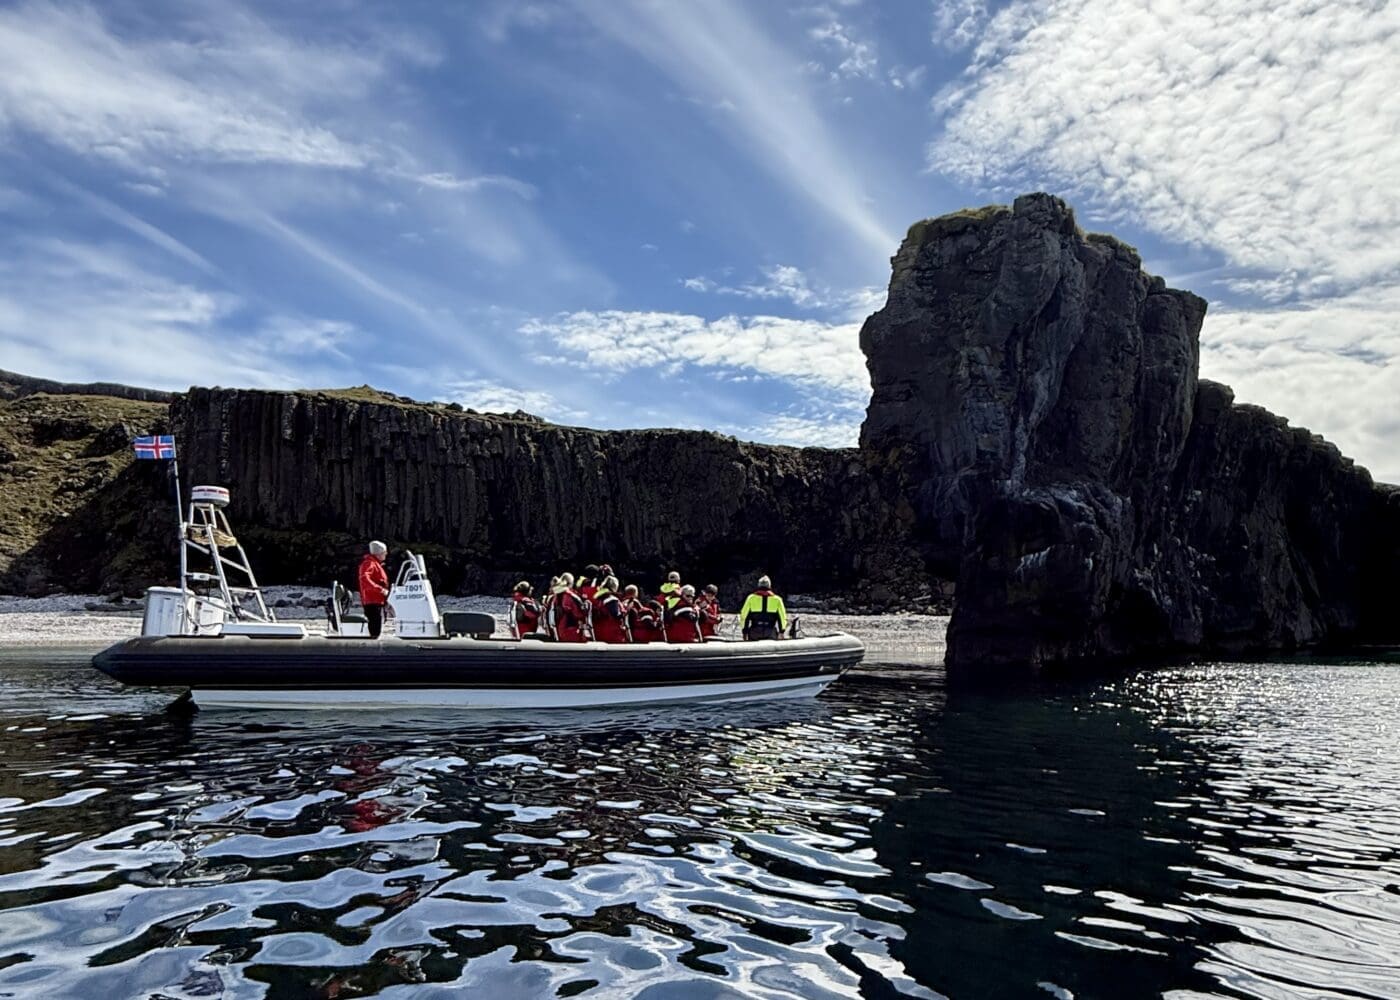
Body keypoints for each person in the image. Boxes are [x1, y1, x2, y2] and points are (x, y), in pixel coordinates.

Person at [357, 540, 391, 639]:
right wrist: (380, 590)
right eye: (384, 552)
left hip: (377, 600)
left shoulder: (375, 564)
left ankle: (375, 639)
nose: (386, 554)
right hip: (372, 600)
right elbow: (364, 579)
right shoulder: (369, 563)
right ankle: (373, 641)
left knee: (377, 623)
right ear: (378, 553)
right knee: (374, 624)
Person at [738, 574, 787, 641]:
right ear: (769, 586)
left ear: (759, 585)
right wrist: (781, 631)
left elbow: (744, 616)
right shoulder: (777, 600)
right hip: (770, 632)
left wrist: (744, 632)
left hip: (755, 631)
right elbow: (782, 617)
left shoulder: (751, 598)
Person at [553, 572, 591, 643]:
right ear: (571, 583)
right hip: (572, 631)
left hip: (560, 630)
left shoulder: (556, 596)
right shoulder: (570, 596)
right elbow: (579, 614)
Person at [593, 575, 630, 643]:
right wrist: (627, 610)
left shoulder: (599, 598)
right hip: (613, 633)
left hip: (600, 632)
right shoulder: (612, 599)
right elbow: (616, 615)